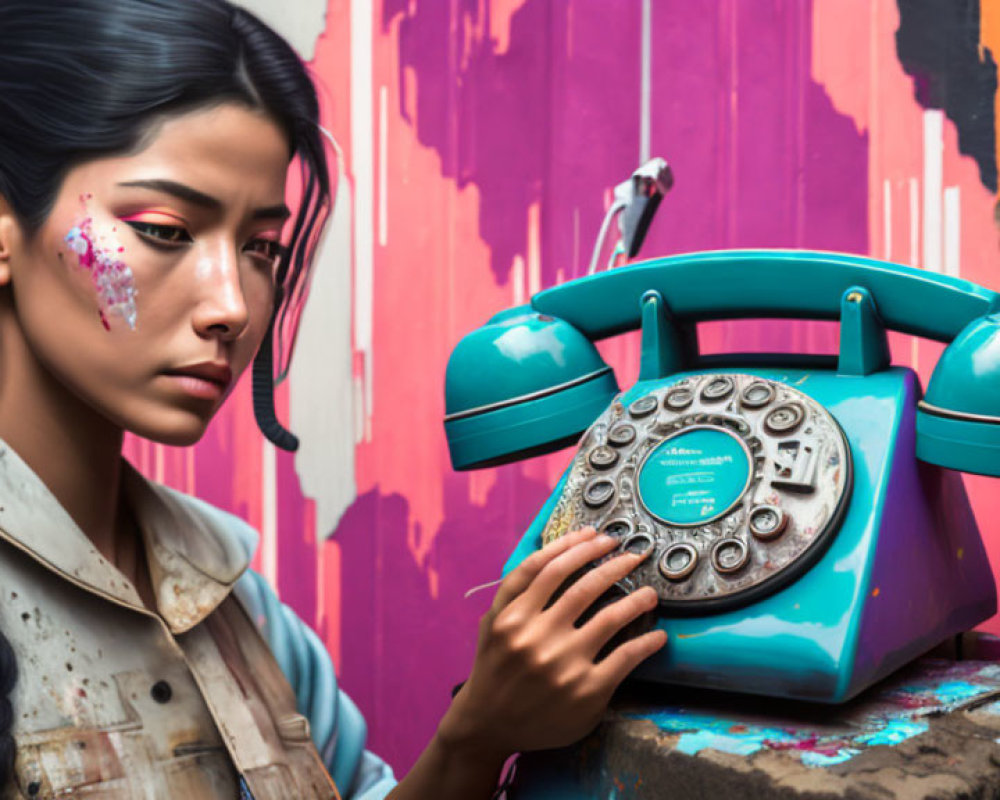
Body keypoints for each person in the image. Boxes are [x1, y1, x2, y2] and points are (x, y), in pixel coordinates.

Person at [0, 1, 668, 798]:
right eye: (166, 229)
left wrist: (479, 733)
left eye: (259, 248)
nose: (234, 307)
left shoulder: (234, 595)